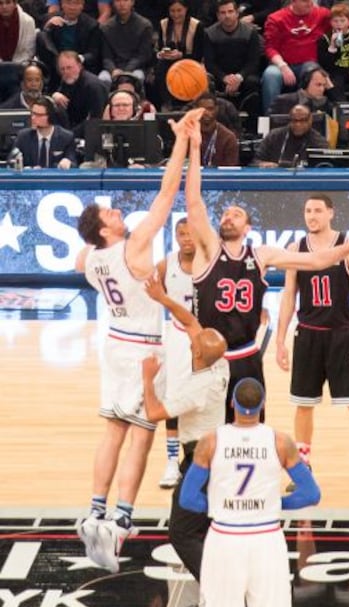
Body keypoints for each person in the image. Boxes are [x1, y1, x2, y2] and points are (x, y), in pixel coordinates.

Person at [75, 106, 203, 574]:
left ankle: (94, 510)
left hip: (113, 343)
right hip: (147, 345)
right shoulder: (130, 246)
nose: (118, 211)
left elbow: (80, 256)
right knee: (140, 437)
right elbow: (168, 193)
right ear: (106, 229)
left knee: (111, 429)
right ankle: (121, 522)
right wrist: (183, 143)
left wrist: (92, 241)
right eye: (110, 212)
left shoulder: (90, 259)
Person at [185, 118, 349, 421]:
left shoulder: (261, 255)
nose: (229, 216)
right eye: (226, 213)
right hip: (210, 355)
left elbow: (315, 261)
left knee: (251, 428)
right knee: (205, 432)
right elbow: (193, 202)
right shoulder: (208, 251)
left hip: (247, 356)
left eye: (237, 214)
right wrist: (194, 148)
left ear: (248, 227)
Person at [178, 377, 321, 607]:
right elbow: (311, 493)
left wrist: (219, 507)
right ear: (261, 405)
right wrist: (278, 505)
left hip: (224, 538)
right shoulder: (280, 441)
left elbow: (188, 500)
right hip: (265, 540)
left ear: (232, 405)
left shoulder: (211, 441)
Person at [275, 192, 349, 496]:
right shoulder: (295, 249)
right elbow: (288, 297)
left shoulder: (348, 247)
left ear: (330, 214)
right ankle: (304, 467)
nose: (311, 216)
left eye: (317, 210)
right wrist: (279, 340)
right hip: (308, 335)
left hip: (342, 335)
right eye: (307, 211)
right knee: (303, 405)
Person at [142, 273, 229, 581]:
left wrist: (148, 378)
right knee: (206, 527)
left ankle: (216, 588)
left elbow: (154, 413)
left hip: (201, 463)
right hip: (217, 456)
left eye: (194, 342)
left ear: (195, 352)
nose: (193, 336)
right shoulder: (220, 363)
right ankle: (220, 585)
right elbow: (191, 322)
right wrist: (163, 299)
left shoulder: (195, 390)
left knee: (180, 533)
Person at [156, 216, 195, 489]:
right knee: (173, 399)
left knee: (205, 400)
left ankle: (200, 458)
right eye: (181, 233)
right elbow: (149, 295)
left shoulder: (212, 262)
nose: (187, 238)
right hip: (177, 337)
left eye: (191, 233)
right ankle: (172, 461)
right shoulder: (166, 264)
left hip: (205, 338)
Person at [204, 0, 262, 121]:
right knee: (207, 83)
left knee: (253, 83)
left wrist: (238, 78)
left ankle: (254, 129)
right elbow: (209, 63)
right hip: (220, 76)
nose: (227, 16)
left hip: (244, 76)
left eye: (230, 12)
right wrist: (224, 78)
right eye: (223, 12)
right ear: (218, 15)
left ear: (237, 13)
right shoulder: (209, 34)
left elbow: (254, 61)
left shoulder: (251, 32)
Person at [36, 0, 102, 90]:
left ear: (82, 6)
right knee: (41, 36)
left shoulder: (91, 25)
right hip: (54, 66)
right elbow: (41, 43)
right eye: (68, 3)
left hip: (80, 68)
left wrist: (76, 60)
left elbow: (93, 54)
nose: (72, 7)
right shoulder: (50, 20)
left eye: (76, 3)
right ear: (62, 4)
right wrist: (47, 26)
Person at [154, 0, 204, 110]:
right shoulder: (163, 24)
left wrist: (181, 56)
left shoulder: (196, 25)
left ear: (186, 9)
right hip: (168, 63)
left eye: (179, 10)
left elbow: (198, 55)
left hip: (191, 63)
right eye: (172, 11)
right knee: (160, 67)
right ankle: (166, 103)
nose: (176, 14)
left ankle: (191, 103)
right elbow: (160, 48)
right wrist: (162, 54)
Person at [317, 3, 349, 102]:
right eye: (335, 21)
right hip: (337, 72)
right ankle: (342, 108)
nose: (339, 24)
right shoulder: (325, 39)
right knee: (334, 84)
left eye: (342, 21)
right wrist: (332, 47)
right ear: (331, 22)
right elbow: (325, 64)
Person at [99, 0, 154, 90]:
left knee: (137, 77)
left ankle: (135, 103)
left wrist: (126, 71)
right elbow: (106, 56)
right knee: (103, 79)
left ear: (132, 2)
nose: (122, 4)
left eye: (125, 0)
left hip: (136, 67)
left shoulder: (144, 25)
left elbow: (143, 55)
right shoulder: (106, 27)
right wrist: (113, 70)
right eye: (118, 1)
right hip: (114, 68)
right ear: (113, 3)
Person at [9, 95, 77, 167]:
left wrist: (67, 163)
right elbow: (11, 161)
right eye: (33, 114)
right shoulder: (23, 136)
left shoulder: (66, 137)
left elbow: (73, 164)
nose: (33, 118)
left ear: (51, 117)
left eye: (39, 115)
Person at [51, 49, 108, 136]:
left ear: (79, 66)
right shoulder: (67, 81)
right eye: (62, 69)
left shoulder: (94, 86)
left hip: (91, 134)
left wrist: (69, 135)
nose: (66, 72)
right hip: (71, 130)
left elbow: (96, 120)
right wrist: (55, 96)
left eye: (69, 68)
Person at [255, 103, 328, 168]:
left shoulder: (319, 142)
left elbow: (324, 167)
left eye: (303, 120)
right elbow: (255, 161)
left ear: (310, 120)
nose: (298, 124)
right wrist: (262, 164)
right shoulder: (274, 136)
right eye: (294, 120)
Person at [0, 0, 36, 102]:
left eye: (8, 3)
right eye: (0, 3)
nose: (4, 6)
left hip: (19, 69)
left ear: (15, 3)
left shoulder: (28, 21)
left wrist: (12, 67)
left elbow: (29, 51)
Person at [192, 91, 240, 166]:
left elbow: (231, 170)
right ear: (195, 110)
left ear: (216, 109)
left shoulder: (228, 138)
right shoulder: (186, 135)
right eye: (202, 109)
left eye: (210, 109)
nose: (206, 113)